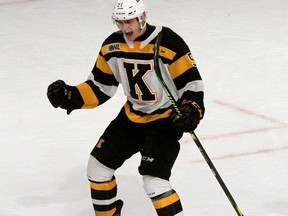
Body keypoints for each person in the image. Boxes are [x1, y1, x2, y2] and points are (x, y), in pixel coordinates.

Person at [47, 0, 205, 215]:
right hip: (131, 118)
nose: (125, 28)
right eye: (120, 22)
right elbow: (99, 87)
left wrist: (191, 109)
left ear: (143, 17)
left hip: (165, 120)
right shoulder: (112, 46)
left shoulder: (168, 42)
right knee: (97, 169)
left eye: (129, 21)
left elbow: (192, 85)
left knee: (154, 182)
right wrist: (70, 96)